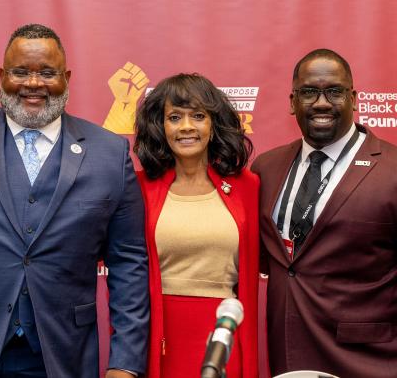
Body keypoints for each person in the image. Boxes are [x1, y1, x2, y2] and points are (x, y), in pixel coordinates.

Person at [0, 23, 149, 378]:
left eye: (47, 73)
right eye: (21, 72)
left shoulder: (109, 153)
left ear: (66, 78)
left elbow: (128, 260)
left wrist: (125, 361)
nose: (33, 84)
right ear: (2, 76)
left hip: (63, 355)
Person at [252, 49, 397, 377]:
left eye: (334, 91)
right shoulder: (267, 168)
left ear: (354, 98)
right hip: (289, 356)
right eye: (308, 92)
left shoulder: (392, 170)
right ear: (292, 102)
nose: (321, 103)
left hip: (371, 360)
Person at [134, 73, 259, 378]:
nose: (186, 127)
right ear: (160, 126)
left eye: (198, 116)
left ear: (214, 124)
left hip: (225, 333)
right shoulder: (137, 188)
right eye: (174, 117)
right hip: (158, 335)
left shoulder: (248, 187)